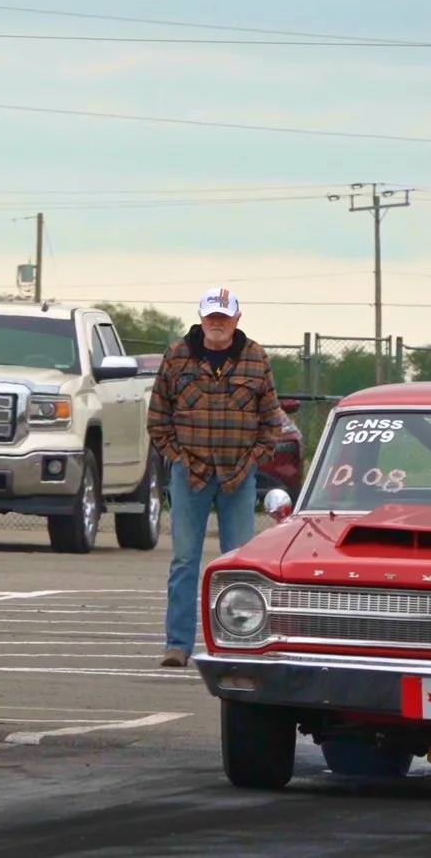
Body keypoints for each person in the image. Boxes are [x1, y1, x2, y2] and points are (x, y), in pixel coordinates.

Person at [148, 287, 287, 669]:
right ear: (201, 317)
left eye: (224, 317)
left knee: (239, 566)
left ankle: (238, 643)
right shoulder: (177, 355)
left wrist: (253, 459)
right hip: (188, 474)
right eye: (212, 317)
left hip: (238, 476)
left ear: (237, 320)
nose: (218, 324)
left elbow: (271, 422)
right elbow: (157, 419)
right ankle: (177, 645)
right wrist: (177, 457)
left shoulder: (256, 358)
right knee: (183, 561)